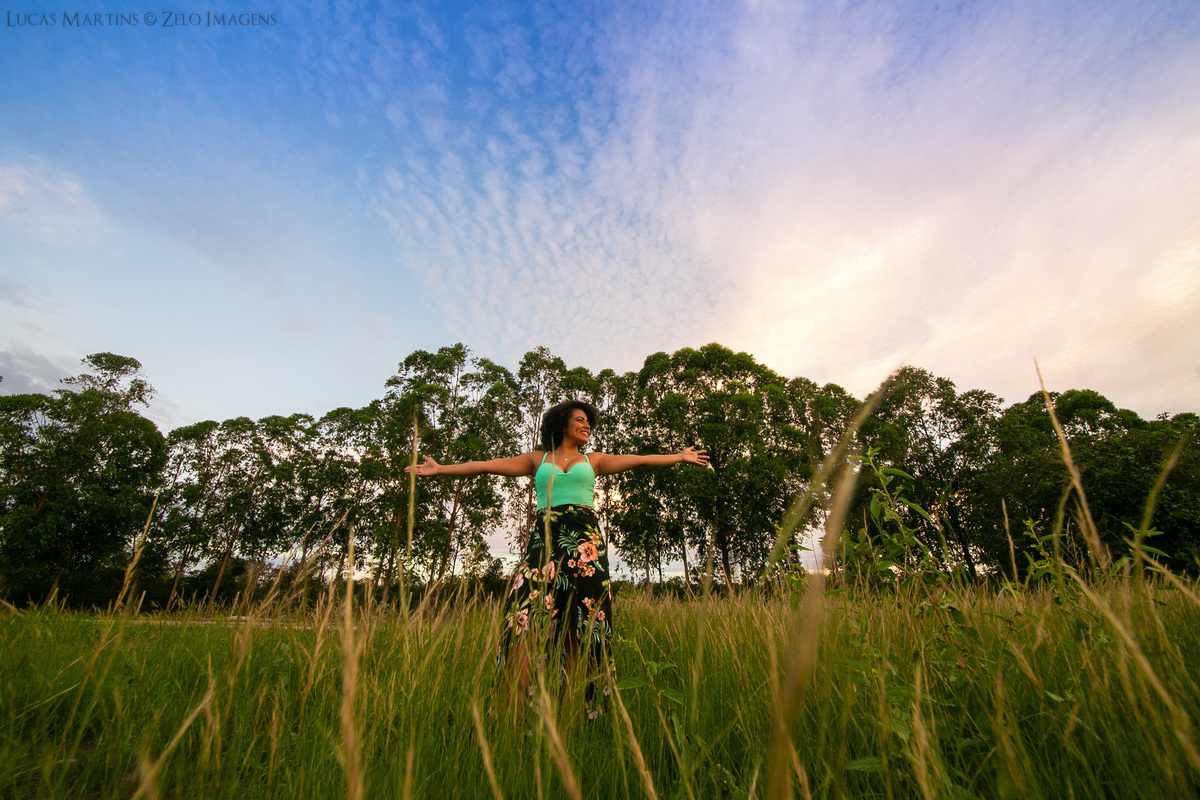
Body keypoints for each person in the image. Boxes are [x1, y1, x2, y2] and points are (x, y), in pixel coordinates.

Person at [405, 399, 708, 715]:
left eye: (589, 421)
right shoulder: (537, 460)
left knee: (582, 625)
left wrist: (679, 457)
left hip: (585, 546)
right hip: (544, 542)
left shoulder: (595, 460)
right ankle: (511, 710)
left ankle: (573, 713)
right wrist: (440, 469)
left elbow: (641, 460)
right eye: (580, 419)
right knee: (521, 616)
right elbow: (484, 465)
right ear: (563, 424)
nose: (587, 425)